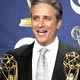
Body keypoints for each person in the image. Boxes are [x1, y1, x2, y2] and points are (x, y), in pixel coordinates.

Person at [1, 0, 80, 80]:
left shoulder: (77, 57)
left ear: (58, 23)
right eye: (35, 18)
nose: (40, 24)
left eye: (47, 18)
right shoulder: (13, 59)